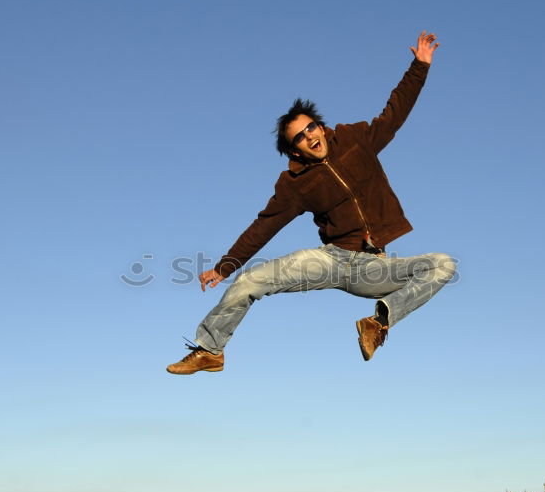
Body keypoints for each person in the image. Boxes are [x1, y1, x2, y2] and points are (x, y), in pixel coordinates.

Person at [166, 31, 457, 375]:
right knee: (248, 282)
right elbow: (265, 225)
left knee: (443, 265)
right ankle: (210, 351)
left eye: (312, 128)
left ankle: (378, 323)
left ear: (321, 126)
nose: (311, 136)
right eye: (301, 137)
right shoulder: (295, 185)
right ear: (294, 150)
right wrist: (225, 266)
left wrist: (419, 67)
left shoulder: (356, 140)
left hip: (372, 267)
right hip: (330, 259)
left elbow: (394, 113)